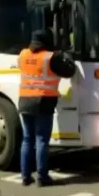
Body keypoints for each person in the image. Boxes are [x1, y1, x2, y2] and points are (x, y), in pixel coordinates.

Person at [18, 29, 76, 187]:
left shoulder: (23, 54)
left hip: (24, 101)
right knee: (42, 139)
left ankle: (25, 176)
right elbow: (70, 71)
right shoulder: (50, 57)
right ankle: (42, 177)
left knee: (27, 139)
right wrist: (67, 57)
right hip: (43, 101)